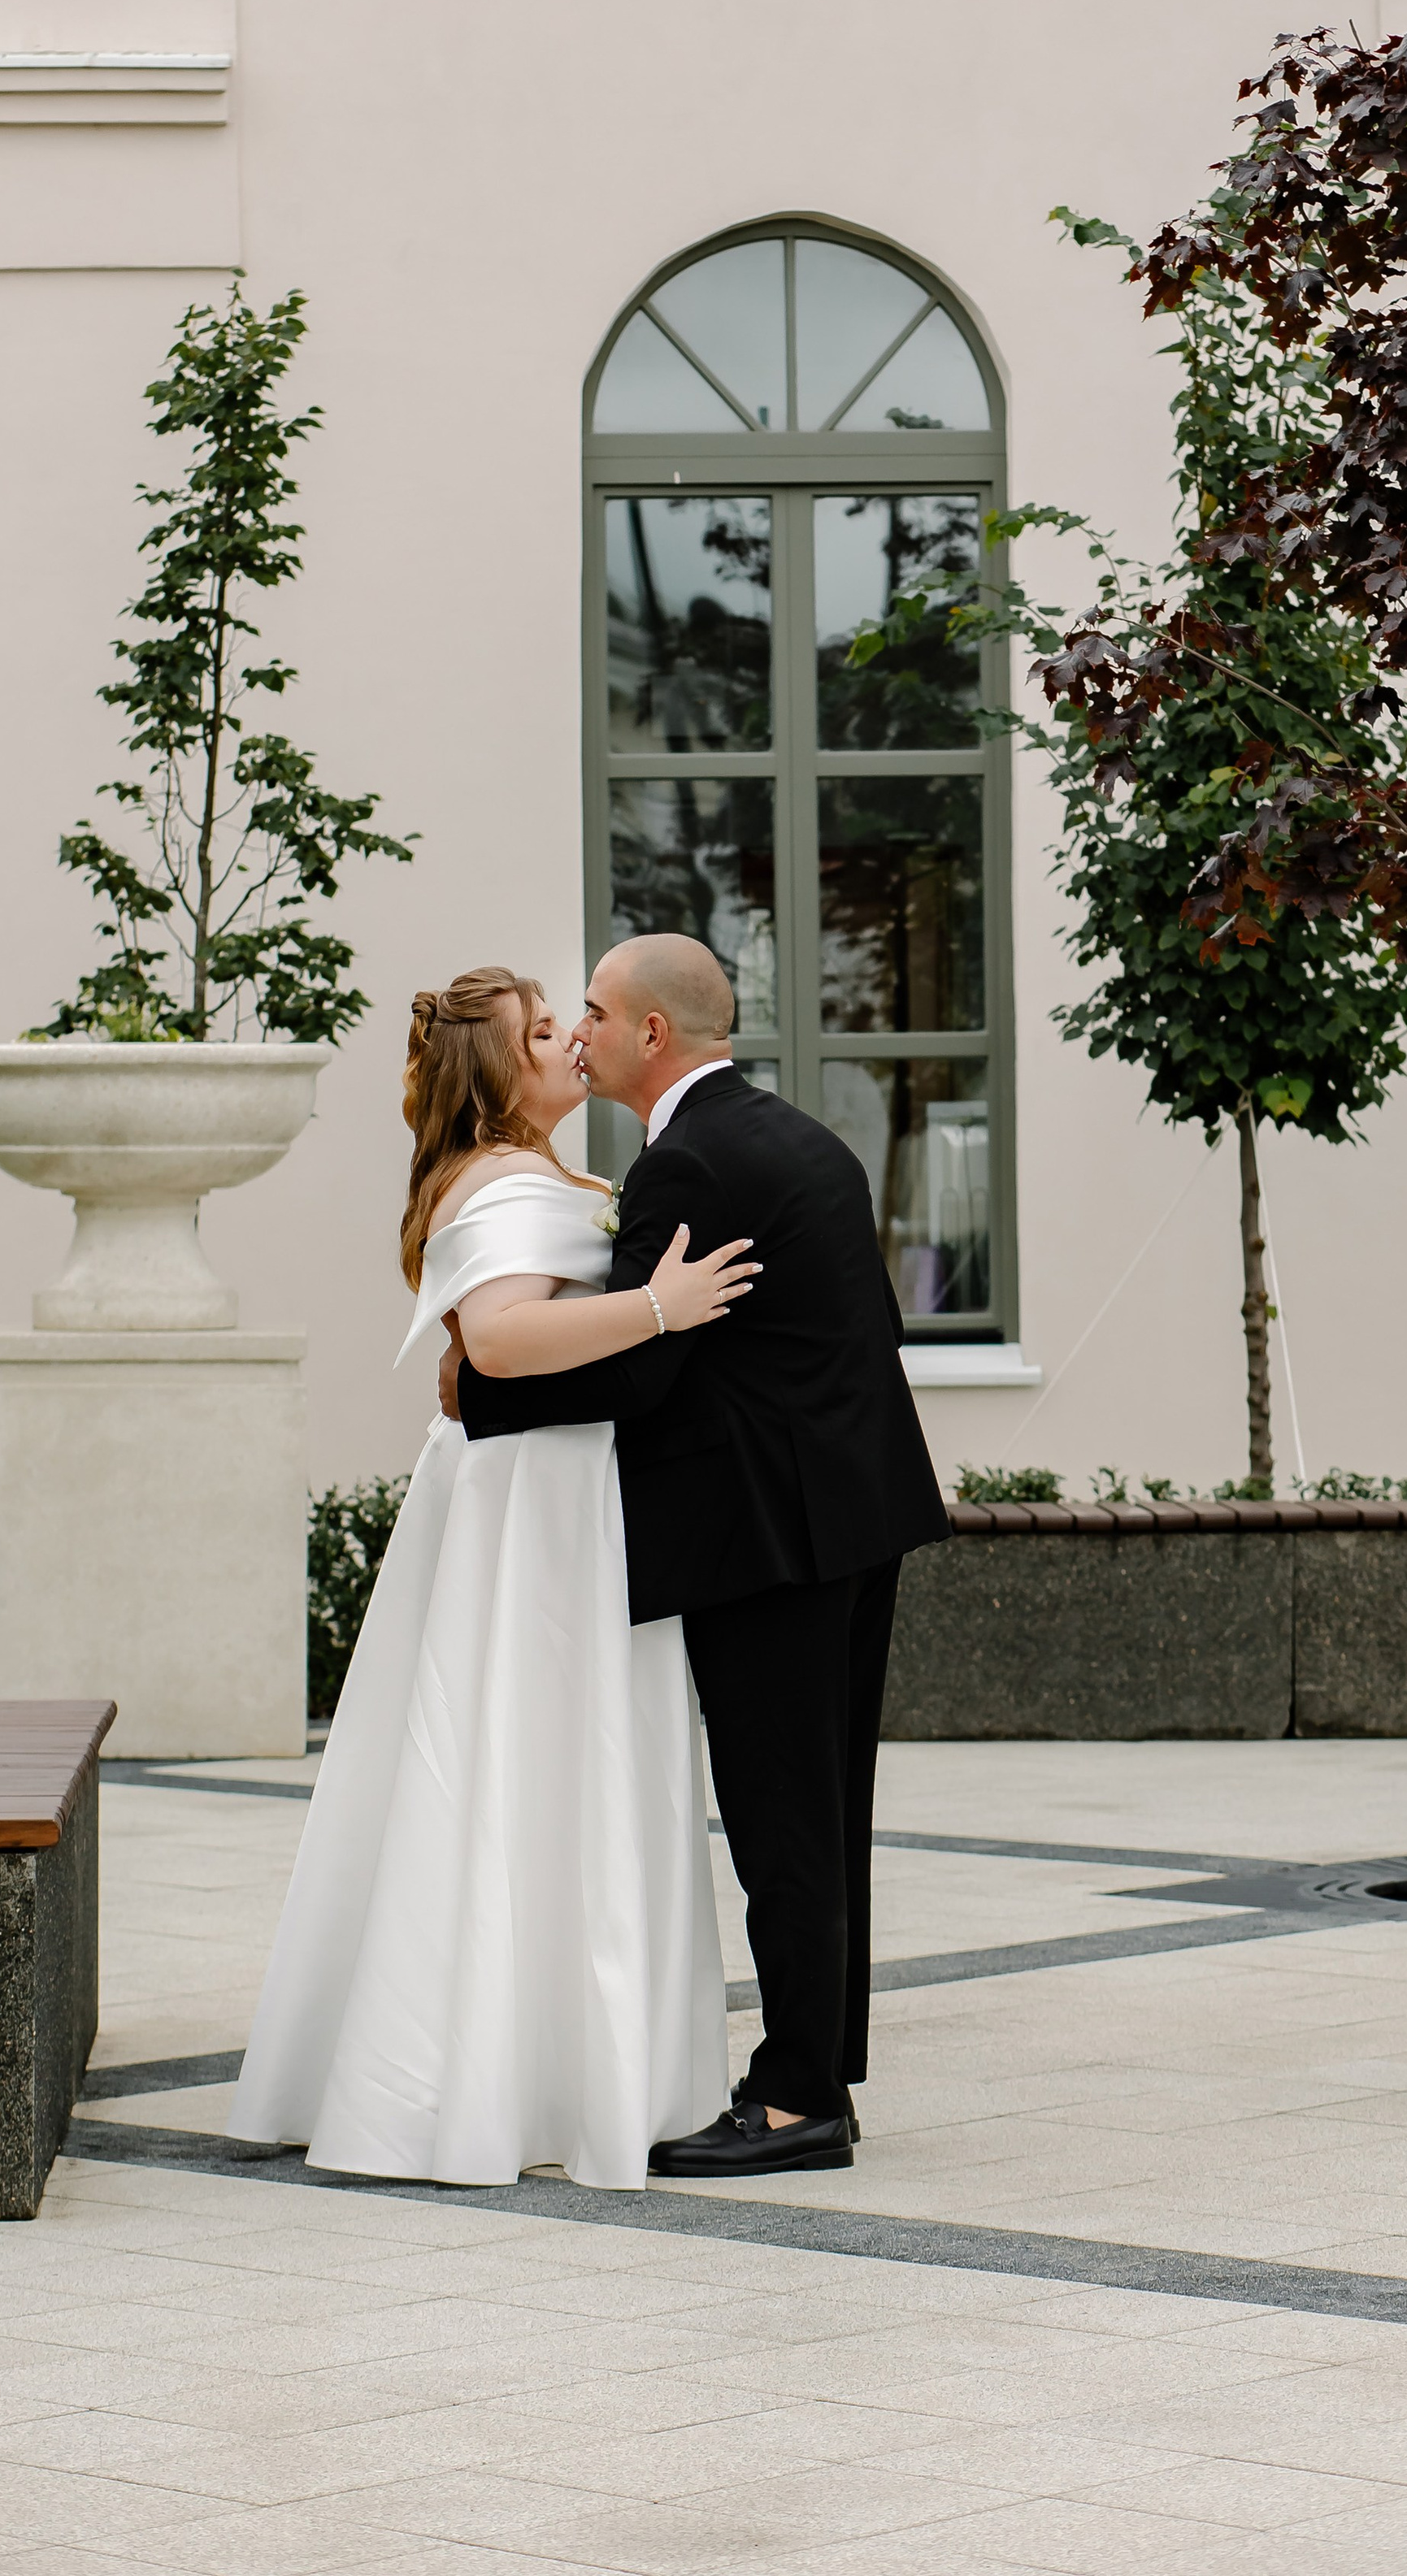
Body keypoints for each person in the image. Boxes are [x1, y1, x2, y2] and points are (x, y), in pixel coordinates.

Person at [224, 965, 753, 2188]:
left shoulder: (512, 1173)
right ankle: (523, 2077)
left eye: (570, 1021)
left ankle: (532, 2063)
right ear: (502, 1071)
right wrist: (663, 1309)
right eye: (543, 1032)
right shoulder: (506, 1180)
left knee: (525, 1767)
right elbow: (504, 1340)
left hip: (546, 1490)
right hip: (540, 1504)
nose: (571, 1038)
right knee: (530, 1761)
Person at [444, 931, 950, 2178]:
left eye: (596, 1017)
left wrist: (474, 1388)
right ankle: (819, 2068)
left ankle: (794, 2100)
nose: (580, 1037)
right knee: (826, 1810)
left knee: (783, 1817)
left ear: (649, 1036)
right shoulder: (794, 1137)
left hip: (769, 1536)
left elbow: (646, 1362)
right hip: (857, 1511)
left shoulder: (688, 1166)